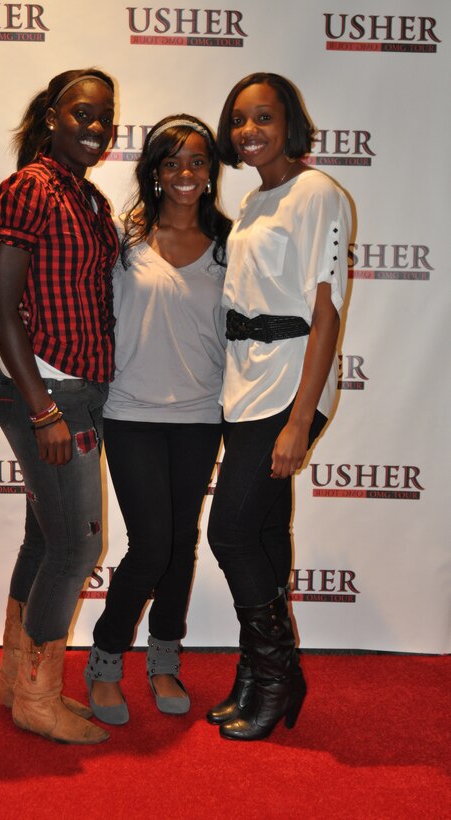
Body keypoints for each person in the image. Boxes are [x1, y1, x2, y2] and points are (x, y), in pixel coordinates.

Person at [206, 73, 352, 741]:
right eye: (239, 119)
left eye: (263, 117)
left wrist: (299, 420)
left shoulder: (316, 192)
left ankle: (277, 674)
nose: (249, 131)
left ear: (289, 122)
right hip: (245, 384)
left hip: (289, 383)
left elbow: (326, 313)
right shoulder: (253, 200)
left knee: (230, 532)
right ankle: (256, 673)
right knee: (261, 531)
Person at [0, 68, 119, 745]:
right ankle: (37, 699)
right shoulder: (29, 188)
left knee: (45, 539)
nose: (95, 127)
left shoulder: (84, 196)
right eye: (81, 114)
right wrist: (43, 411)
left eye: (104, 117)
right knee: (77, 545)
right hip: (49, 395)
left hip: (77, 391)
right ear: (51, 118)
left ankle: (17, 681)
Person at [84, 115, 231, 724]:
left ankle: (164, 658)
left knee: (180, 541)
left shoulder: (230, 242)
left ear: (211, 171)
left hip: (202, 414)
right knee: (150, 545)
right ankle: (105, 660)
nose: (185, 174)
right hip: (131, 411)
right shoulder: (122, 240)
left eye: (197, 161)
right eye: (171, 163)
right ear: (153, 172)